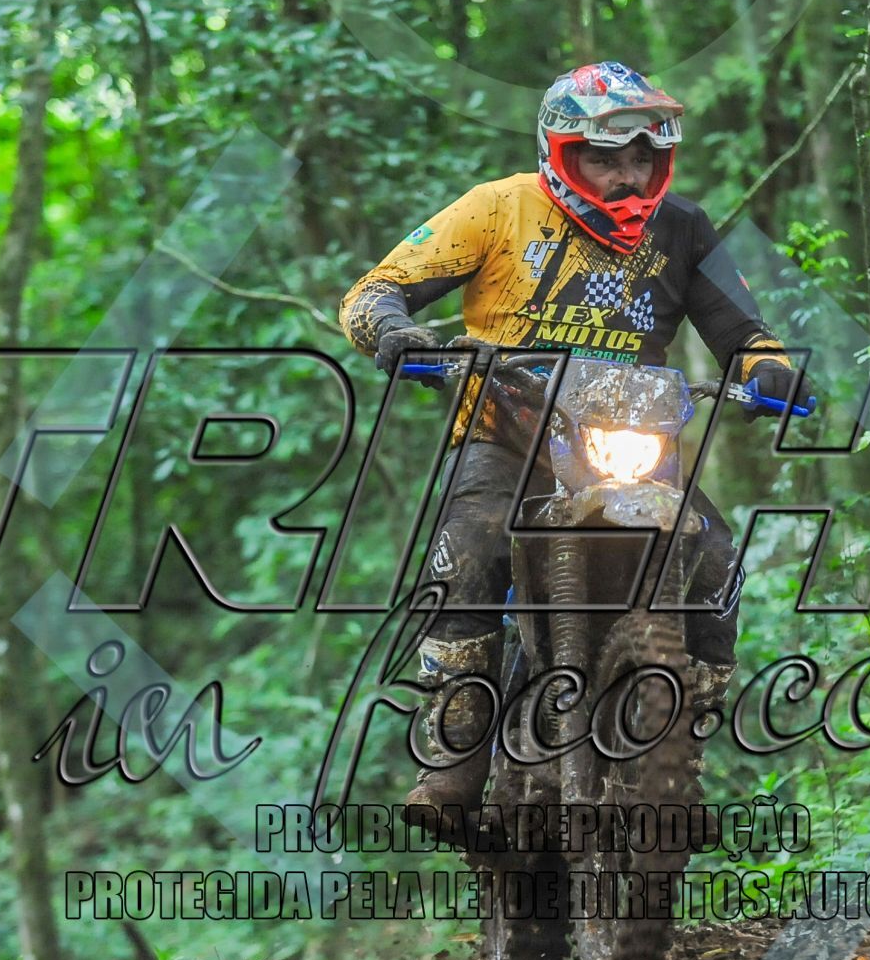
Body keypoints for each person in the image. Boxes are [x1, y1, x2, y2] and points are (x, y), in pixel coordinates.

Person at [340, 60, 805, 826]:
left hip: (634, 445)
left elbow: (742, 332)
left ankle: (679, 755)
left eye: (642, 158)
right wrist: (395, 332)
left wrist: (770, 373)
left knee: (716, 558)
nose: (627, 175)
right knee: (474, 546)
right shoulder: (498, 208)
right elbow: (374, 291)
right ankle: (452, 761)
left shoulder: (682, 229)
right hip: (507, 432)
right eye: (605, 157)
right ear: (561, 151)